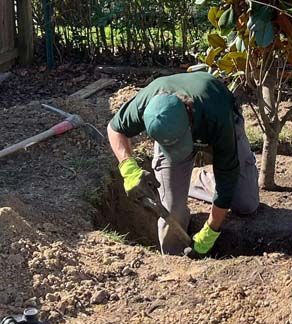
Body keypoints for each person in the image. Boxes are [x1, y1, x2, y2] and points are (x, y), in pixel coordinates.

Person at [107, 71, 259, 255]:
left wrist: (211, 231)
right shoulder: (147, 105)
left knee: (245, 203)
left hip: (217, 120)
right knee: (171, 212)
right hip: (171, 135)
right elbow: (115, 129)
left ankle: (200, 178)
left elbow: (227, 176)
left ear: (189, 115)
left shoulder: (216, 114)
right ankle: (173, 259)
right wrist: (128, 168)